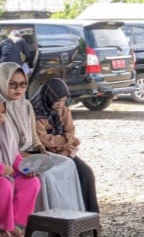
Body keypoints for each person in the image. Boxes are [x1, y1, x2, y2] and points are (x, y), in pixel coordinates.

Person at [0, 62, 85, 213]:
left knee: (67, 164)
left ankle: (68, 215)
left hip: (32, 152)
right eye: (12, 84)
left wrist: (40, 149)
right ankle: (45, 219)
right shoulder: (2, 107)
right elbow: (9, 146)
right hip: (14, 156)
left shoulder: (25, 105)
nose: (18, 89)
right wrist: (30, 157)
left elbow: (34, 136)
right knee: (47, 175)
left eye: (22, 84)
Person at [30, 78, 99, 213]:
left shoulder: (64, 111)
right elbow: (42, 139)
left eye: (63, 100)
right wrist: (66, 140)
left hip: (65, 152)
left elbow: (70, 131)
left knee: (86, 173)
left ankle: (91, 214)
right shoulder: (36, 112)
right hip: (44, 153)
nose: (60, 104)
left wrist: (65, 148)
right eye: (57, 100)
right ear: (48, 97)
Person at [0, 94, 41, 237]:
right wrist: (2, 169)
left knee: (32, 182)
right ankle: (2, 227)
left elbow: (14, 155)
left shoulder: (5, 129)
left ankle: (14, 224)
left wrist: (25, 168)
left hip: (7, 174)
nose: (1, 116)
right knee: (3, 186)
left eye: (3, 112)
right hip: (2, 175)